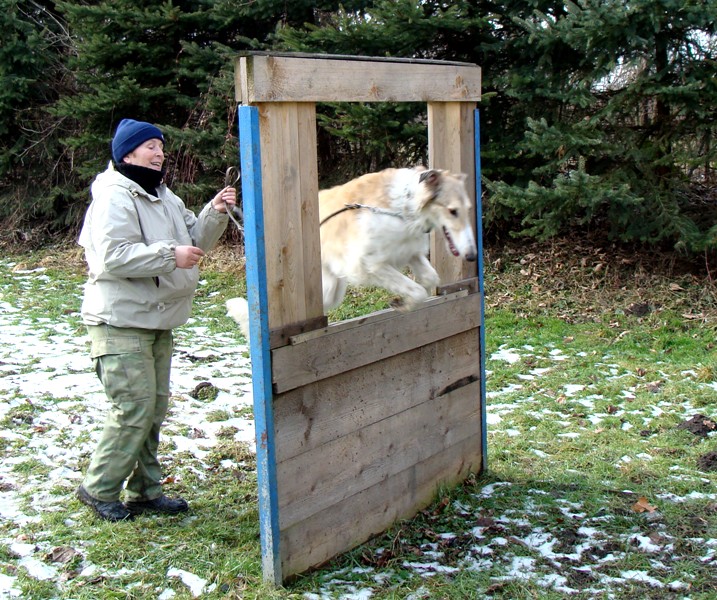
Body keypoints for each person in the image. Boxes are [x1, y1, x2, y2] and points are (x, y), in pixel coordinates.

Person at [76, 118, 237, 521]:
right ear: (126, 153)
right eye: (149, 146)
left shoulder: (163, 195)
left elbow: (194, 241)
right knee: (134, 408)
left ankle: (145, 492)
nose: (159, 152)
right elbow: (112, 256)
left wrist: (214, 212)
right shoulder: (114, 196)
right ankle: (98, 489)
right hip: (119, 321)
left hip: (157, 320)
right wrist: (170, 255)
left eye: (161, 146)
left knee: (154, 409)